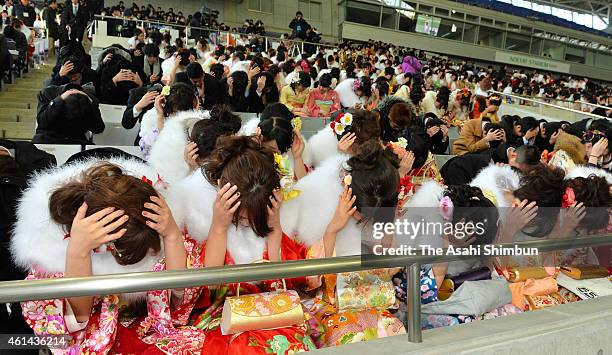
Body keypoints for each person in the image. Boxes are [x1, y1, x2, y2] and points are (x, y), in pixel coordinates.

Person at [12, 160, 198, 352]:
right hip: (95, 332)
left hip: (141, 324)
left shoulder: (155, 222)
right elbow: (79, 319)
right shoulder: (53, 251)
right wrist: (78, 252)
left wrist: (172, 234)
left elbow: (178, 291)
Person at [165, 135, 316, 353]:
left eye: (253, 214)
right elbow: (211, 285)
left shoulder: (272, 215)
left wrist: (274, 228)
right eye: (242, 214)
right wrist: (218, 226)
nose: (246, 220)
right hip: (225, 314)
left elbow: (280, 281)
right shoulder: (201, 215)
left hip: (271, 309)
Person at [32, 83, 105, 144]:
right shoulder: (47, 93)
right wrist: (59, 100)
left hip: (75, 140)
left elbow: (98, 128)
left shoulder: (89, 100)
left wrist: (92, 104)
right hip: (49, 138)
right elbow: (42, 123)